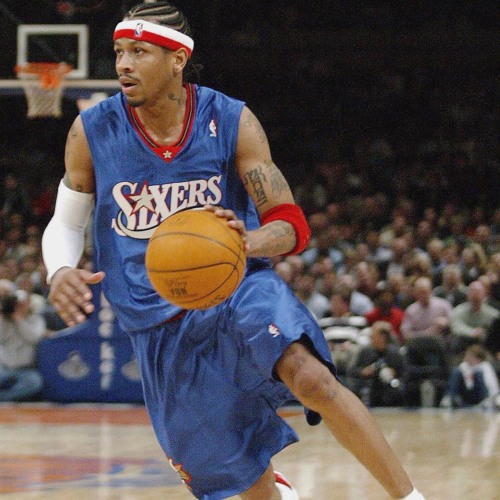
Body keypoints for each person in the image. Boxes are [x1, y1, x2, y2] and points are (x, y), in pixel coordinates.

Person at [41, 2, 423, 499]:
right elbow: (66, 222)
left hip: (236, 287)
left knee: (311, 378)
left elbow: (289, 224)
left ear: (177, 59)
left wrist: (249, 241)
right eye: (119, 52)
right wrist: (59, 269)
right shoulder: (91, 131)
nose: (123, 65)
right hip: (155, 317)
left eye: (139, 52)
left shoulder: (230, 119)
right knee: (244, 481)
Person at [0, 289, 46, 401]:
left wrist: (19, 320)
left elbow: (34, 337)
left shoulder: (36, 320)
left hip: (25, 370)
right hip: (3, 368)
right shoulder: (4, 320)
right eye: (17, 305)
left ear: (28, 304)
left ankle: (4, 398)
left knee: (35, 382)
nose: (19, 307)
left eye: (22, 304)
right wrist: (2, 316)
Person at [347, 321, 406, 407]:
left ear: (383, 336)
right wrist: (363, 372)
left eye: (373, 333)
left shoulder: (395, 354)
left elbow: (405, 372)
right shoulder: (365, 352)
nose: (370, 336)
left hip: (389, 389)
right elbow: (352, 371)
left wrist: (394, 373)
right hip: (369, 386)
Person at [439, 344, 500, 409]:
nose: (467, 358)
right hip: (466, 396)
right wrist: (467, 378)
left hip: (479, 396)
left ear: (478, 359)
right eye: (467, 355)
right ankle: (448, 398)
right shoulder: (464, 365)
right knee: (456, 371)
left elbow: (492, 385)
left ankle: (485, 401)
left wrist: (493, 399)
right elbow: (463, 384)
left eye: (471, 356)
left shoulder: (485, 366)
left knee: (478, 374)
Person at [400, 276, 452, 341]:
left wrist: (447, 322)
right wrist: (426, 333)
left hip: (441, 341)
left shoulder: (443, 304)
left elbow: (454, 322)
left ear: (430, 291)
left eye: (425, 292)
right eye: (420, 292)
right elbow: (405, 333)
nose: (423, 295)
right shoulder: (411, 310)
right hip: (420, 342)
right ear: (415, 293)